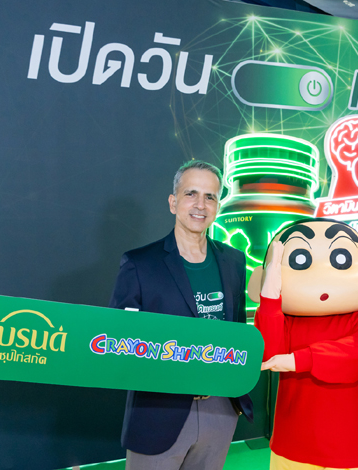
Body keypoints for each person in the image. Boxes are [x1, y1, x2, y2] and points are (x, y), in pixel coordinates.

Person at [108, 160, 253, 470]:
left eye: (210, 196)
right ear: (173, 203)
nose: (201, 204)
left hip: (219, 409)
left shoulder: (233, 261)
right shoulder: (139, 264)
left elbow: (238, 330)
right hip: (160, 411)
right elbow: (119, 342)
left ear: (217, 205)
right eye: (191, 194)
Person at [247, 219, 358, 470]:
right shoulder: (286, 320)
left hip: (349, 445)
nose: (321, 273)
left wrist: (298, 360)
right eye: (300, 259)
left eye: (341, 258)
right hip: (292, 443)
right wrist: (270, 293)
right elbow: (268, 353)